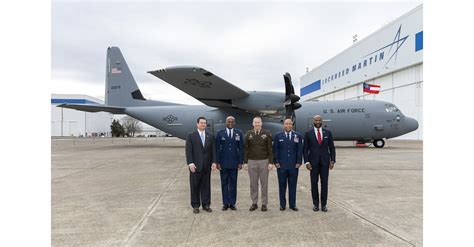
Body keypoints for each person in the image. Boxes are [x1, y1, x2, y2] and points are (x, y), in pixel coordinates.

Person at [303, 115, 336, 212]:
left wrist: (332, 160)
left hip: (325, 163)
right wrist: (307, 162)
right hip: (313, 163)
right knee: (314, 184)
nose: (318, 121)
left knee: (324, 184)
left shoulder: (328, 133)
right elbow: (305, 149)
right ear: (313, 121)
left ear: (322, 121)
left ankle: (324, 205)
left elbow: (332, 148)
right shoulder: (308, 133)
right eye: (316, 120)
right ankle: (316, 204)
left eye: (319, 120)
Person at [185, 117, 217, 214]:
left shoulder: (210, 136)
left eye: (204, 123)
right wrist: (190, 163)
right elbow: (188, 151)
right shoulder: (191, 136)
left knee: (206, 186)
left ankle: (206, 205)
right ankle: (195, 206)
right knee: (194, 186)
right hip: (195, 166)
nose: (203, 124)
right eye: (201, 123)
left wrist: (214, 162)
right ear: (197, 124)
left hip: (207, 166)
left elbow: (213, 150)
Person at [243, 116, 273, 212]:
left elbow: (270, 149)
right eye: (255, 122)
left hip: (264, 161)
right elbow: (246, 149)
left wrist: (271, 162)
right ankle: (254, 203)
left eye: (258, 122)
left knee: (264, 184)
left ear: (261, 123)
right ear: (253, 123)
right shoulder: (248, 134)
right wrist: (245, 162)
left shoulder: (267, 133)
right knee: (253, 184)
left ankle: (264, 204)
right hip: (251, 161)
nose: (257, 124)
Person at [273, 119, 303, 211]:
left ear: (292, 125)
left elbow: (299, 150)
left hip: (294, 166)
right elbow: (275, 150)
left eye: (290, 124)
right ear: (283, 125)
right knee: (282, 186)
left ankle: (292, 205)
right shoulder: (278, 136)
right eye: (286, 124)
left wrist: (299, 162)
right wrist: (276, 162)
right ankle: (282, 205)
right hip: (281, 166)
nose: (288, 125)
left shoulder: (298, 136)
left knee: (292, 186)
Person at [215, 116, 244, 211]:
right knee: (224, 183)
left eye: (232, 121)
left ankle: (232, 203)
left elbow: (241, 149)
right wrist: (217, 162)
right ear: (225, 122)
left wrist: (240, 162)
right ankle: (225, 203)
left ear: (234, 122)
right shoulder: (220, 133)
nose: (230, 122)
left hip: (234, 163)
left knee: (233, 183)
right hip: (223, 163)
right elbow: (217, 149)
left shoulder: (238, 133)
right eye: (228, 121)